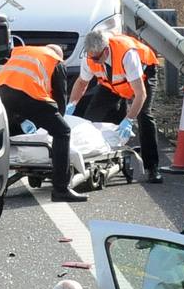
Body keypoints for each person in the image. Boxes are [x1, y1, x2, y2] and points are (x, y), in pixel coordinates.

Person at [67, 30, 162, 183]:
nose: (94, 61)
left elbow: (140, 94)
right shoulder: (91, 58)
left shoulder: (127, 55)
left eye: (97, 58)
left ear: (106, 50)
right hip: (112, 84)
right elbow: (82, 83)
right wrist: (71, 104)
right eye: (91, 57)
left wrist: (129, 119)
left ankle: (152, 167)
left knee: (144, 115)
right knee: (91, 118)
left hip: (143, 77)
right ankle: (90, 160)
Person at [0, 44, 85, 203]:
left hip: (0, 92)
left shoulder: (22, 53)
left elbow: (17, 85)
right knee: (62, 132)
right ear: (59, 55)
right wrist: (59, 119)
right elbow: (59, 98)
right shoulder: (55, 61)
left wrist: (22, 119)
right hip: (28, 94)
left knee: (7, 131)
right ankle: (61, 189)